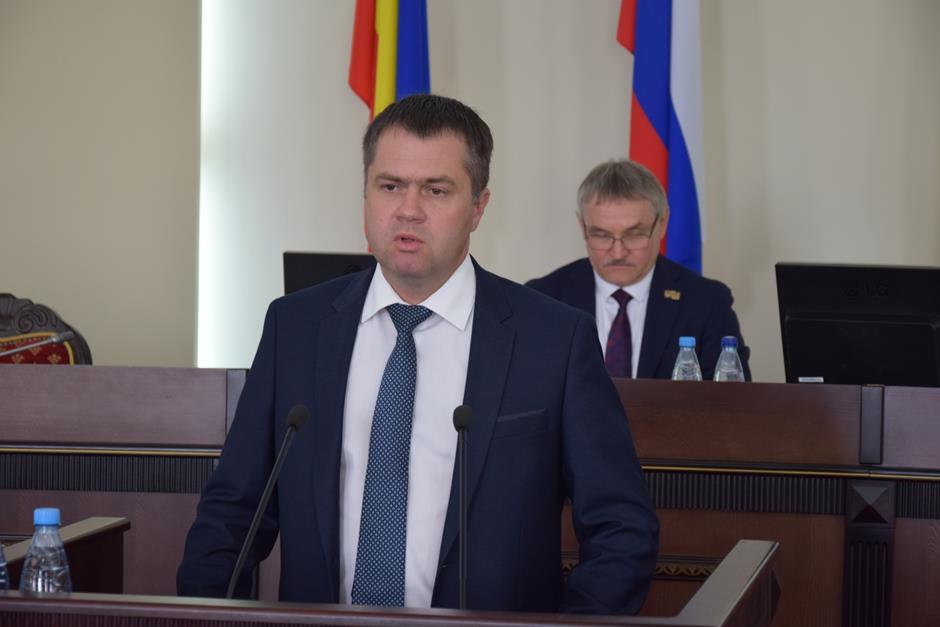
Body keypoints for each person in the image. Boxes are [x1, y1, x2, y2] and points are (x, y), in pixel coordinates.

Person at [177, 95, 658, 614]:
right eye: (390, 186)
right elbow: (232, 513)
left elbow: (621, 528)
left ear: (478, 207)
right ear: (365, 194)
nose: (408, 209)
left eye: (436, 189)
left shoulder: (554, 339)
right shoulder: (295, 327)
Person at [527, 160, 750, 381]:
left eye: (634, 235)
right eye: (601, 235)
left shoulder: (706, 302)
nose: (618, 253)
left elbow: (732, 399)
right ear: (582, 226)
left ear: (662, 223)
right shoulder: (543, 298)